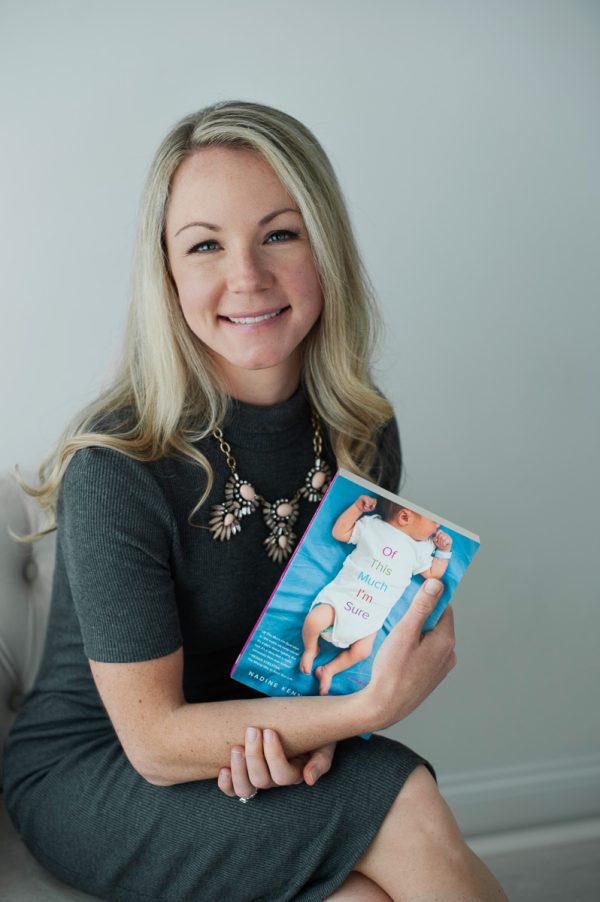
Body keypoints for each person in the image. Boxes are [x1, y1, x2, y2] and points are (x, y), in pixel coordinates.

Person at [3, 100, 507, 901]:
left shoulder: (361, 429)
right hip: (102, 773)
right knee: (400, 799)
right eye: (205, 245)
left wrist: (320, 729)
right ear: (167, 273)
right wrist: (366, 712)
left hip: (254, 744)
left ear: (325, 248)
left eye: (279, 234)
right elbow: (154, 741)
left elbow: (318, 662)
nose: (247, 277)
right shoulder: (117, 462)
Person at [300, 494, 453, 696]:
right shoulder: (373, 527)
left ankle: (329, 670)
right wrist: (357, 508)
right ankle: (311, 649)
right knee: (314, 620)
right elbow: (340, 532)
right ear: (405, 517)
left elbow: (433, 574)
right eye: (433, 520)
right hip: (342, 601)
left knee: (363, 651)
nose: (438, 525)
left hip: (369, 616)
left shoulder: (420, 548)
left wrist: (444, 551)